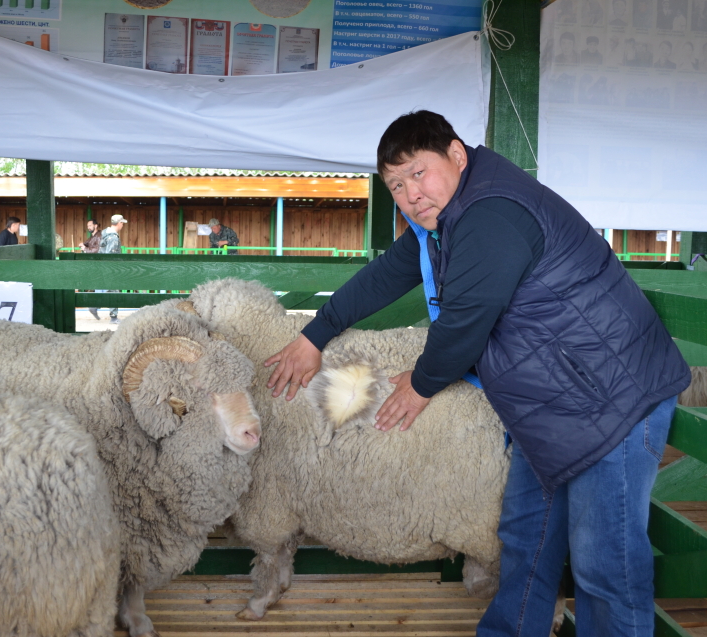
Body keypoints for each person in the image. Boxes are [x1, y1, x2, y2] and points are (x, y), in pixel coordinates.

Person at [264, 111, 690, 636]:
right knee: (525, 535)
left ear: (457, 156)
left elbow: (466, 321)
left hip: (613, 399)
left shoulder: (490, 214)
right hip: (556, 403)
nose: (410, 194)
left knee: (604, 561)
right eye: (396, 185)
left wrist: (420, 386)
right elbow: (386, 276)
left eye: (419, 173)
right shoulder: (445, 222)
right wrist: (314, 333)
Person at [98, 214, 127, 324]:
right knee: (114, 291)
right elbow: (111, 255)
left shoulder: (104, 234)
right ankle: (113, 317)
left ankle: (94, 306)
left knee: (108, 290)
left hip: (102, 267)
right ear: (119, 223)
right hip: (111, 269)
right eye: (122, 223)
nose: (123, 225)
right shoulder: (113, 238)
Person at [80, 219, 103, 320]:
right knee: (104, 288)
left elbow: (97, 250)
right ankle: (95, 307)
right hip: (97, 266)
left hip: (99, 264)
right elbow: (87, 243)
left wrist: (85, 249)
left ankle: (95, 307)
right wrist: (83, 245)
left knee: (103, 288)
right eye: (88, 225)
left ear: (96, 225)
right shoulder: (94, 236)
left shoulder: (99, 236)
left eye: (90, 225)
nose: (88, 227)